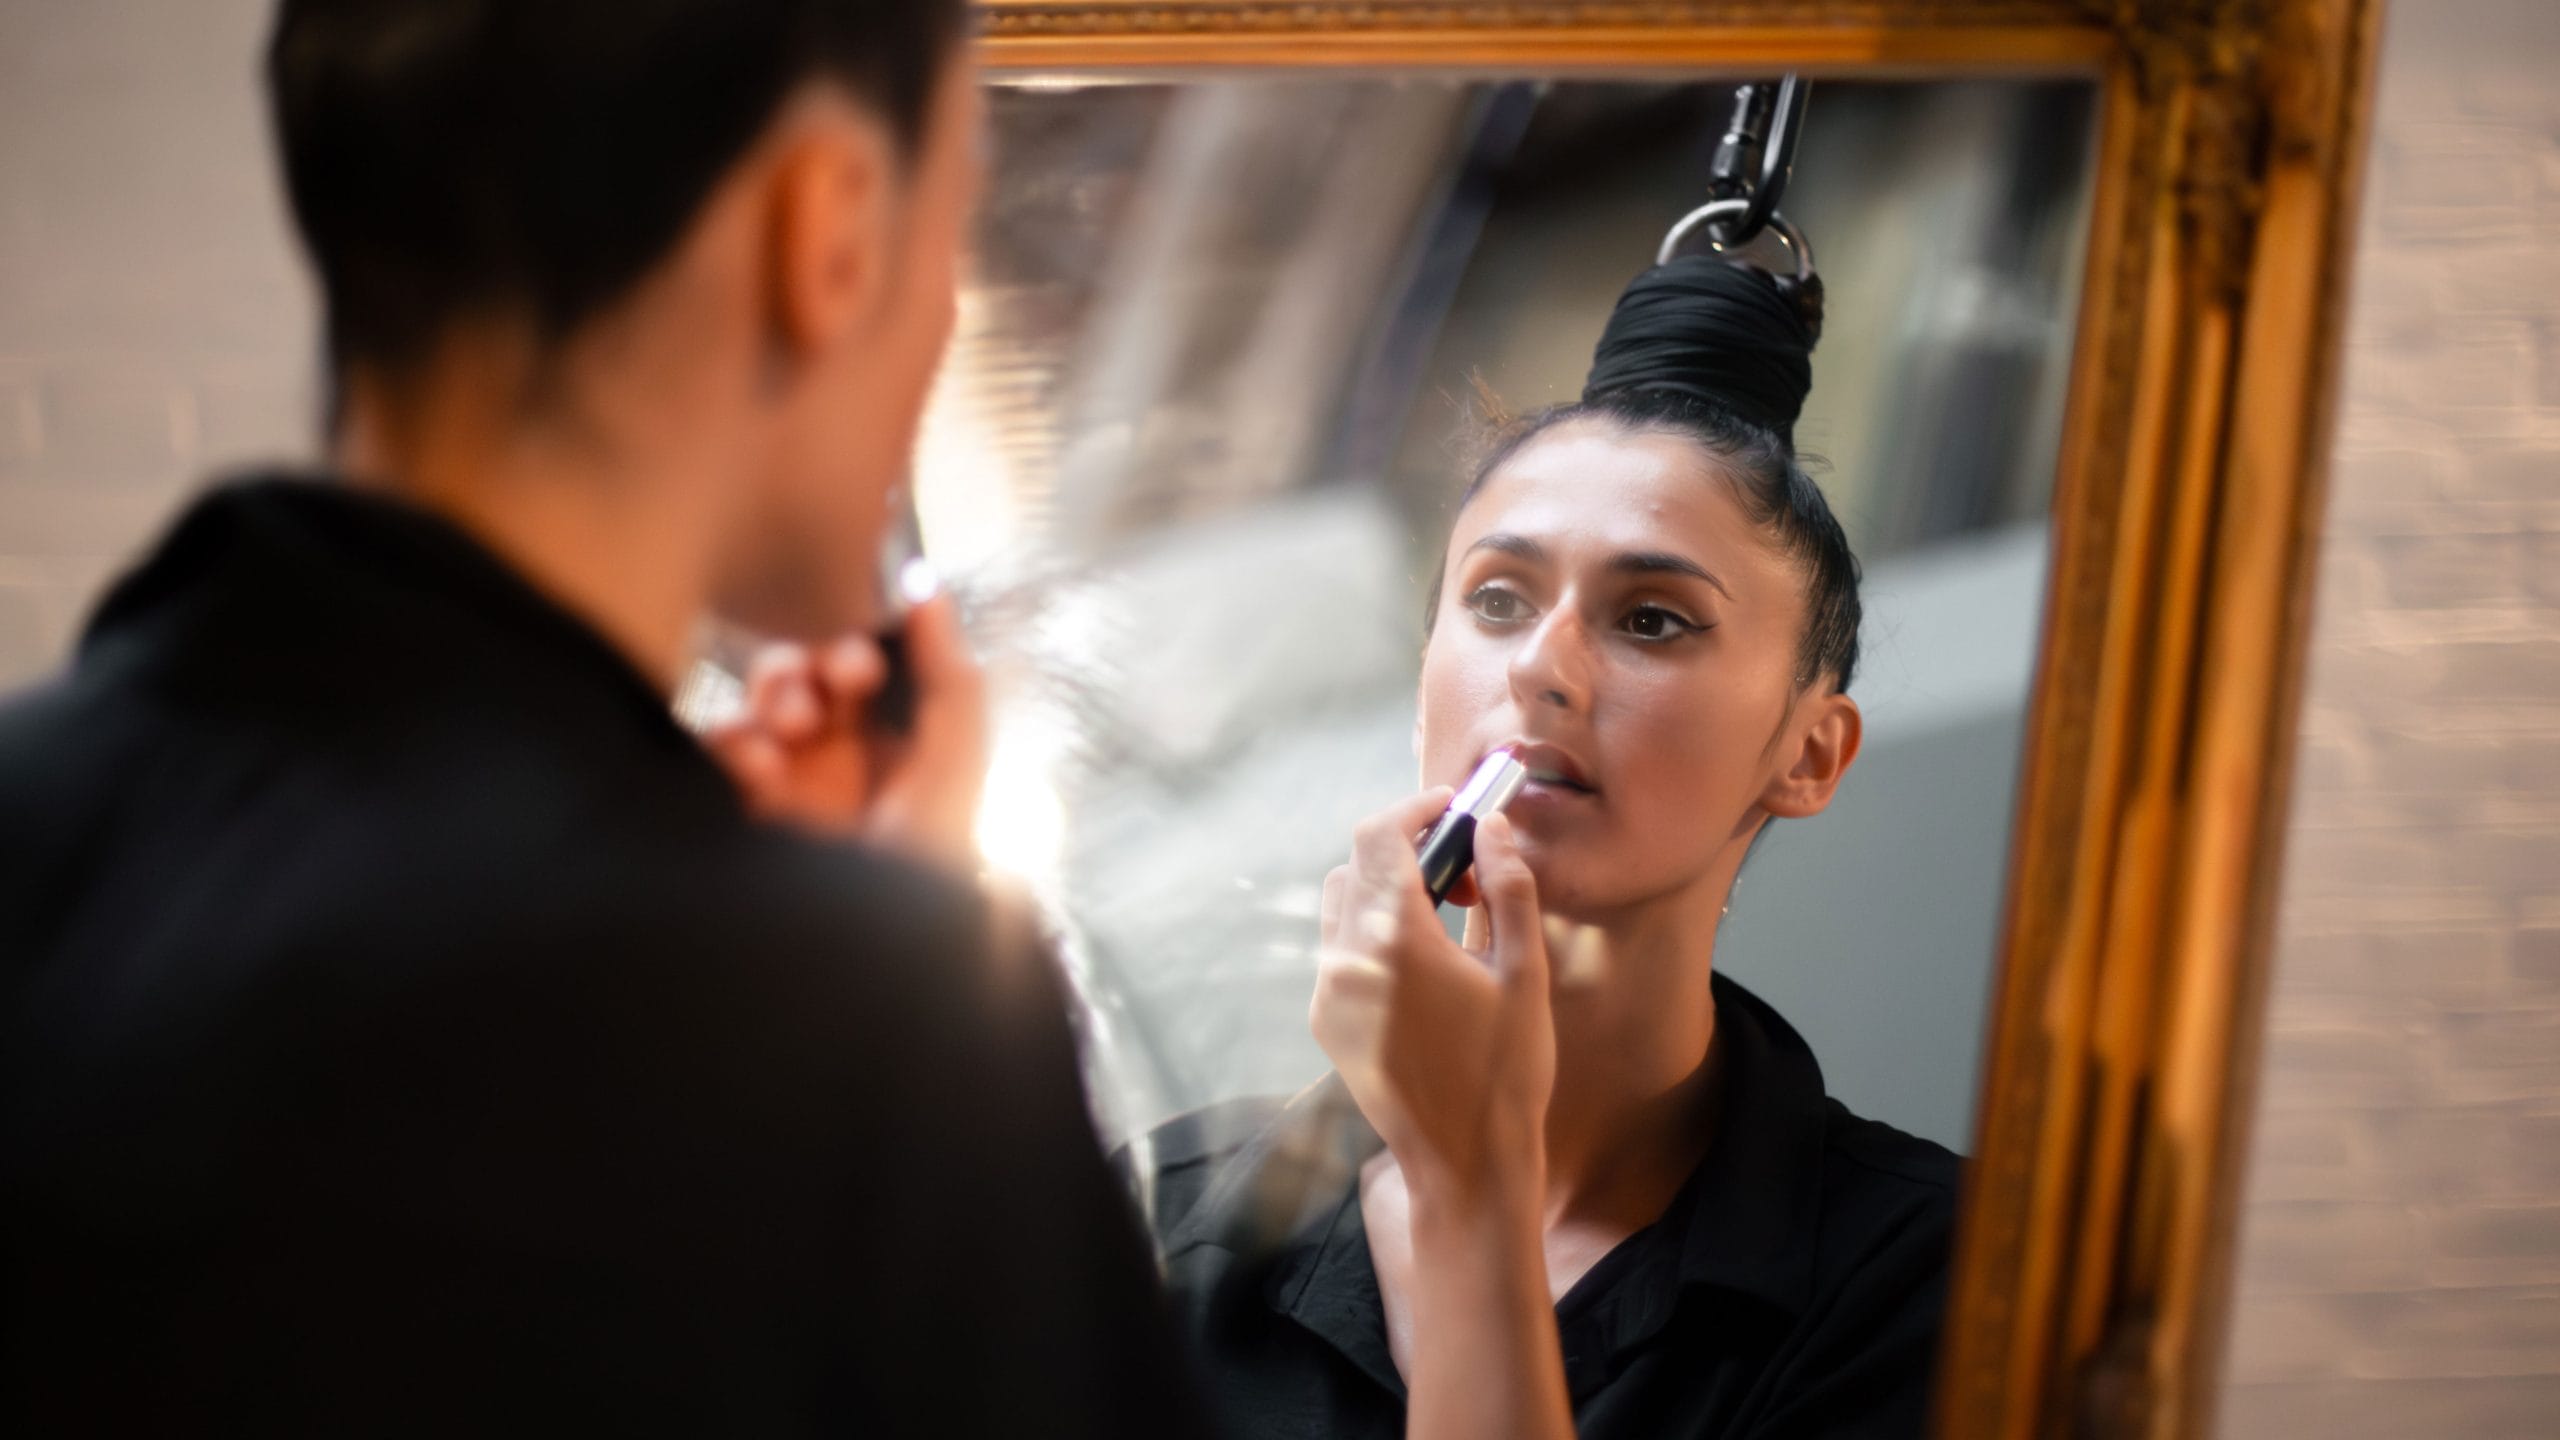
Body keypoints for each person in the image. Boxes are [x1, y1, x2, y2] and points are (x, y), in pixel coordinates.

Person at [0, 2, 1201, 1433]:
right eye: (957, 215)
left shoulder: (38, 825)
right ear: (825, 229)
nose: (945, 311)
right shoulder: (877, 1043)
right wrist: (883, 967)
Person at [1135, 255, 1961, 1439]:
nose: (1538, 666)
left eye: (1652, 620)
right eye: (1497, 601)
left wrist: (1473, 1184)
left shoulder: (1940, 1279)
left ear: (1810, 755)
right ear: (1424, 685)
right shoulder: (1149, 1228)